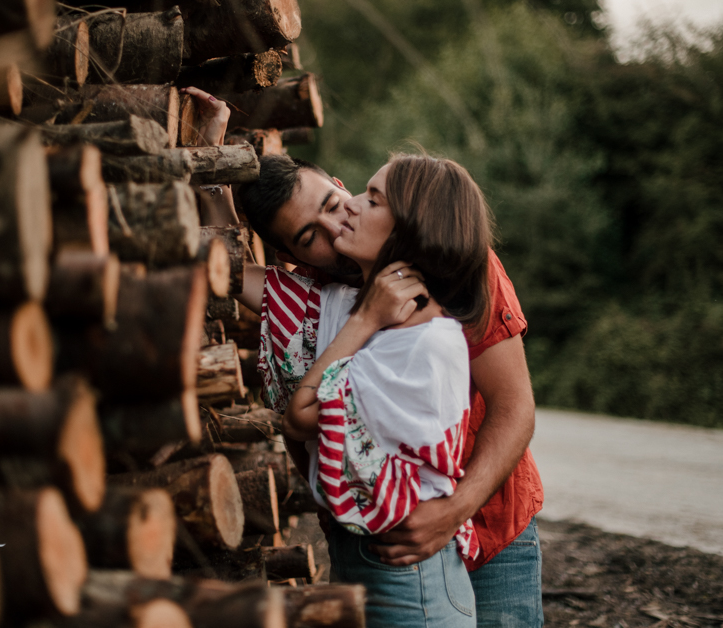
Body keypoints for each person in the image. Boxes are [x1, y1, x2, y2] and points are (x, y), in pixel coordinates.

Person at [184, 87, 543, 627]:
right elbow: (225, 267)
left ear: (345, 189)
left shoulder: (457, 260)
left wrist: (453, 511)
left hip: (488, 514)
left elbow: (515, 406)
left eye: (334, 205)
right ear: (293, 257)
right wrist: (211, 164)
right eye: (310, 237)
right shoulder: (310, 303)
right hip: (374, 536)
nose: (335, 229)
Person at [279, 153, 495, 625]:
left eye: (372, 199)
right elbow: (242, 277)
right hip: (378, 563)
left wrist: (364, 320)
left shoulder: (420, 342)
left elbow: (300, 413)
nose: (350, 206)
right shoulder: (368, 310)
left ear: (412, 231)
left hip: (407, 581)